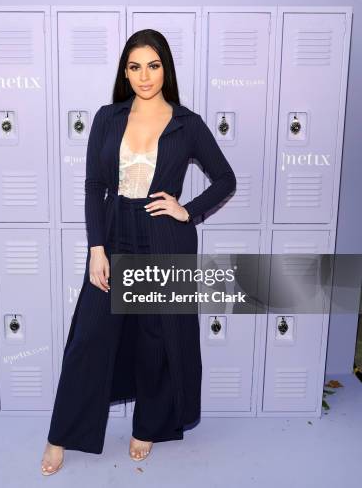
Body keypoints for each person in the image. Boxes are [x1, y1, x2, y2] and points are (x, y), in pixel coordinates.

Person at [41, 29, 237, 475]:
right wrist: (96, 248)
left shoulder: (187, 123)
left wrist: (187, 211)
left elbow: (225, 178)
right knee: (89, 338)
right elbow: (94, 184)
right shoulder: (108, 117)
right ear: (124, 71)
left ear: (165, 68)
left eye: (153, 65)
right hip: (114, 232)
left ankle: (146, 427)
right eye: (134, 67)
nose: (144, 76)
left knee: (156, 340)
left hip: (163, 239)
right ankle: (61, 436)